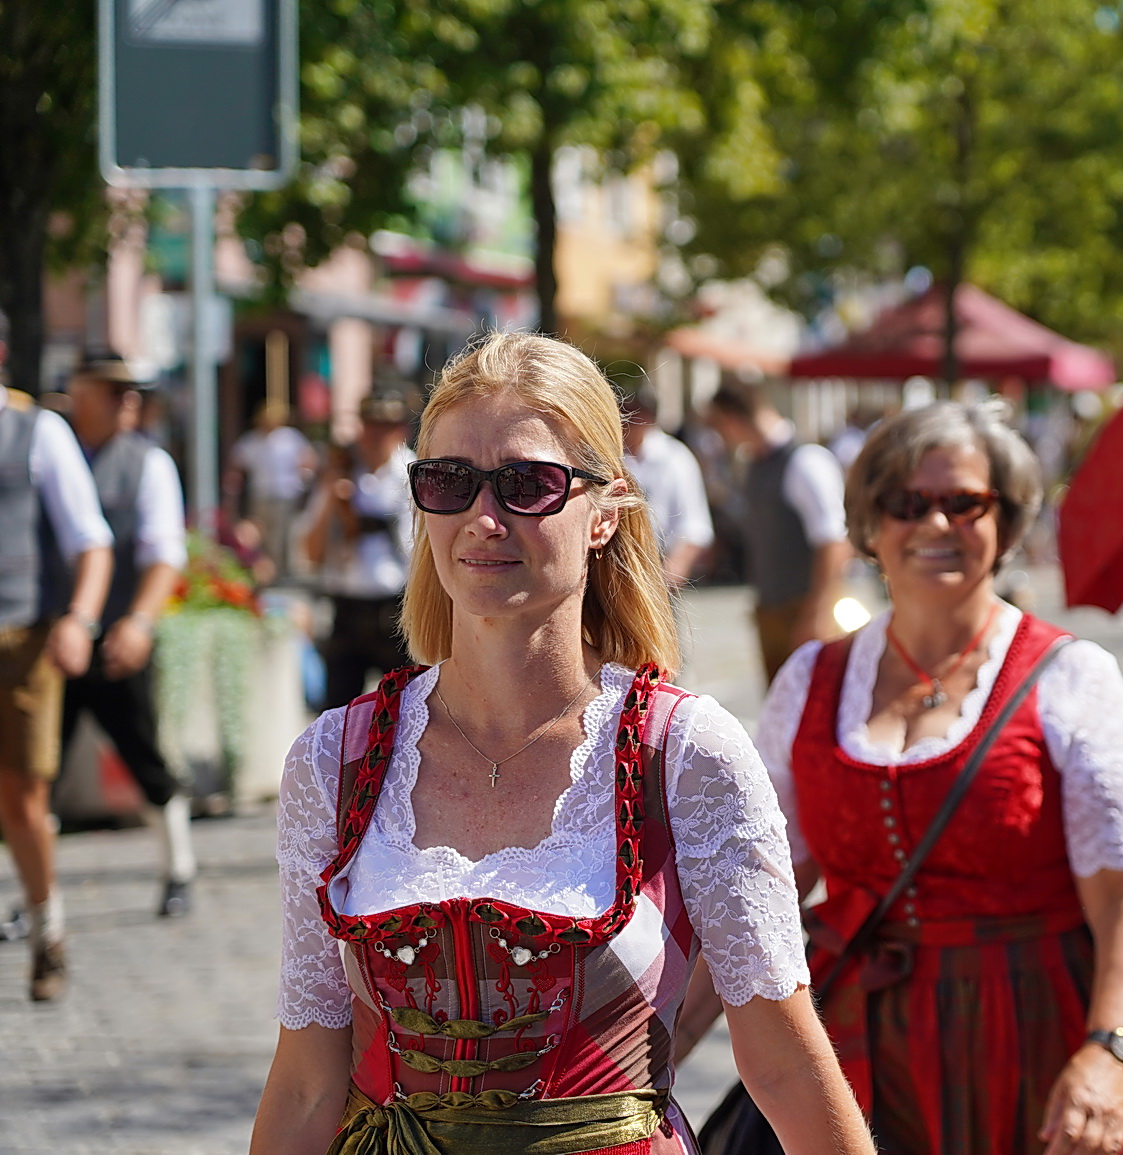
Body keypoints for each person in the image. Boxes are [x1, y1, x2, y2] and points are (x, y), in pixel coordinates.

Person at [251, 332, 873, 1155]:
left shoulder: (684, 752)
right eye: (449, 481)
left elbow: (786, 1062)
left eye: (529, 485)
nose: (484, 519)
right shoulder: (336, 759)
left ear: (605, 510)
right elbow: (306, 1078)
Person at [685, 401, 1123, 1155]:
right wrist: (653, 1051)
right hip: (857, 1041)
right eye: (907, 503)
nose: (936, 524)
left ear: (1005, 520)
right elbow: (752, 897)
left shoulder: (1072, 677)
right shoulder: (812, 679)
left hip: (1031, 1030)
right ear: (871, 525)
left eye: (964, 503)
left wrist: (1110, 1050)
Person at [0, 315, 116, 1002]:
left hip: (21, 637)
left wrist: (79, 619)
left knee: (21, 795)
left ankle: (47, 931)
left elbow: (91, 541)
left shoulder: (36, 430)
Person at [60, 352, 194, 918]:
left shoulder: (147, 462)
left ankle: (178, 868)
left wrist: (139, 622)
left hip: (117, 634)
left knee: (144, 756)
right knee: (33, 773)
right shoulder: (53, 450)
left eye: (132, 392)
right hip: (53, 638)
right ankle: (36, 895)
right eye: (113, 391)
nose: (128, 402)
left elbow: (164, 554)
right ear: (79, 393)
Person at [706, 382, 850, 684]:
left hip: (804, 609)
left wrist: (818, 612)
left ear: (732, 419)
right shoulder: (755, 462)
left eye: (719, 425)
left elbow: (834, 541)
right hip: (771, 608)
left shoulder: (806, 460)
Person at [301, 387, 415, 710]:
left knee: (404, 712)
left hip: (396, 610)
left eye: (387, 425)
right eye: (371, 424)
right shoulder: (338, 471)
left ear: (401, 429)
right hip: (347, 610)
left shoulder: (411, 473)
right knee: (339, 715)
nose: (377, 435)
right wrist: (332, 499)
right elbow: (309, 552)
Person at [620, 384, 714, 586]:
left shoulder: (675, 457)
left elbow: (694, 525)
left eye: (631, 415)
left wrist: (668, 575)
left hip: (660, 566)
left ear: (648, 417)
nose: (625, 423)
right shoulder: (614, 455)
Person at [226, 400, 316, 580]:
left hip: (285, 494)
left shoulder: (290, 437)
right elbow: (237, 465)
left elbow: (308, 459)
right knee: (260, 534)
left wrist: (304, 479)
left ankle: (282, 570)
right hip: (260, 494)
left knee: (282, 534)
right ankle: (265, 570)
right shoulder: (251, 440)